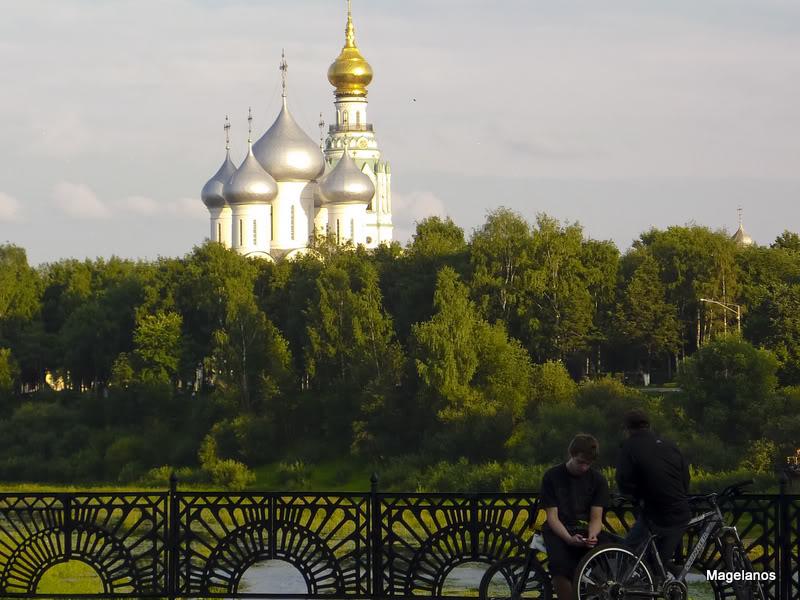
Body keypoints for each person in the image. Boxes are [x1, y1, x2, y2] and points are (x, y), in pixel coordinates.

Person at [616, 408, 690, 572]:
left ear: (627, 429)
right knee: (656, 565)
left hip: (655, 513)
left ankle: (632, 586)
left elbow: (624, 481)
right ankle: (654, 580)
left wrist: (636, 497)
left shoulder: (629, 446)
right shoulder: (670, 445)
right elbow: (685, 478)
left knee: (626, 553)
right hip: (680, 512)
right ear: (649, 426)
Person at [540, 433, 610, 600]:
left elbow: (596, 518)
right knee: (559, 567)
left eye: (589, 464)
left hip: (584, 529)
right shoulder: (552, 476)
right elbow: (552, 516)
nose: (584, 467)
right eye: (580, 462)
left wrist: (592, 535)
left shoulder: (598, 480)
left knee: (609, 558)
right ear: (571, 455)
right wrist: (568, 538)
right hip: (558, 529)